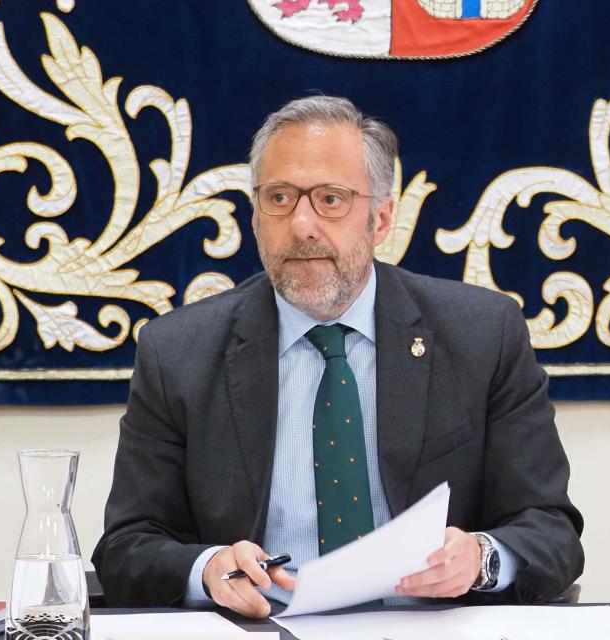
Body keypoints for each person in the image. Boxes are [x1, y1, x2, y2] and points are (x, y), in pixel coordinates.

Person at [92, 96, 583, 618]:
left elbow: (551, 530)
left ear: (381, 219)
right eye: (279, 197)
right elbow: (127, 547)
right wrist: (207, 568)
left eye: (331, 199)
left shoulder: (483, 335)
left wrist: (481, 559)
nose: (303, 226)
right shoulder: (178, 351)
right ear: (256, 217)